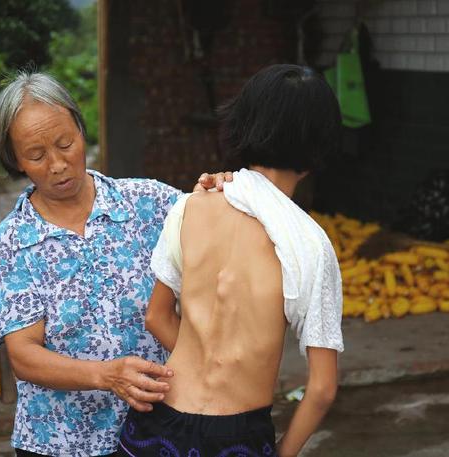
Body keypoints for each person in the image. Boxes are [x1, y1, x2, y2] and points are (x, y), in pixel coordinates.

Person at [0, 71, 231, 457]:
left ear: (82, 132)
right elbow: (24, 355)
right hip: (58, 442)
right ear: (15, 160)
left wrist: (221, 189)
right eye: (36, 155)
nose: (57, 164)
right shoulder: (14, 240)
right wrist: (106, 375)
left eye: (65, 144)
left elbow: (218, 221)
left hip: (159, 428)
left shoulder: (147, 203)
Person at [117, 64, 344, 457]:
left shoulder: (191, 207)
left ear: (244, 127)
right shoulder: (308, 244)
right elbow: (322, 389)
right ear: (319, 147)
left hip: (156, 423)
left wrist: (203, 360)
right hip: (235, 437)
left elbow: (157, 316)